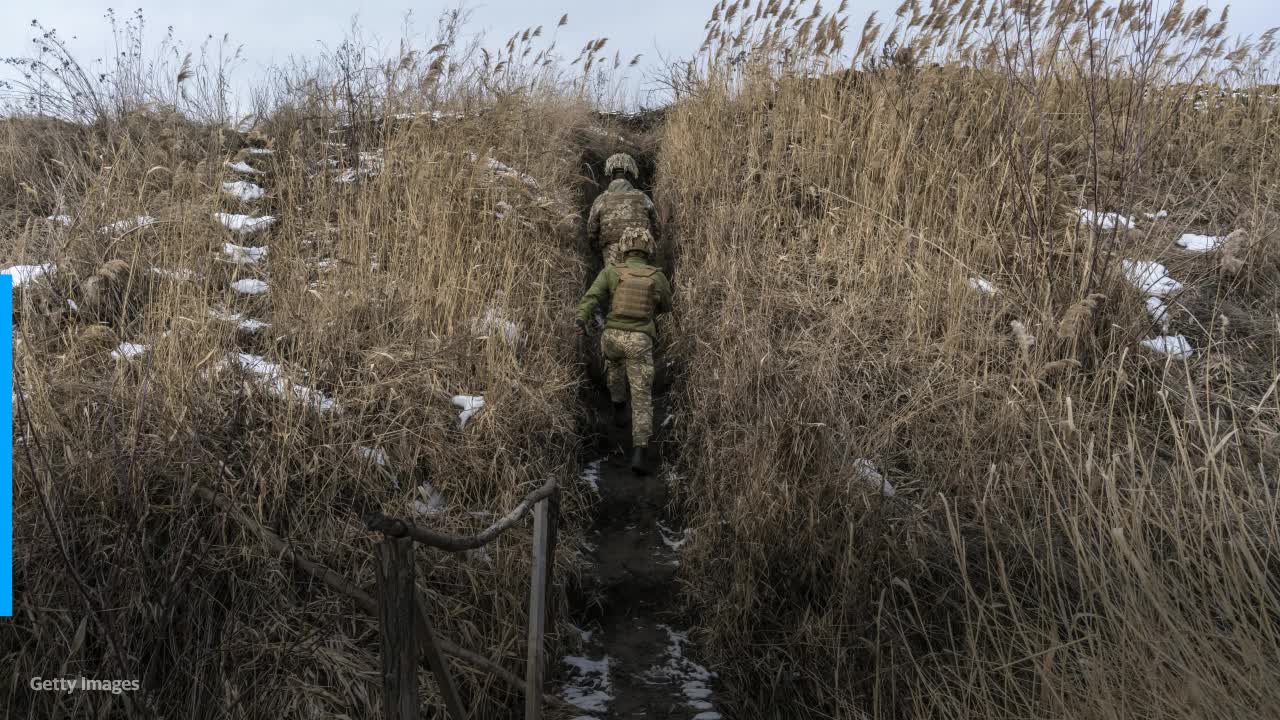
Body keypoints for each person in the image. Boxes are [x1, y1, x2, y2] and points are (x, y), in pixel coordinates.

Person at [575, 227, 673, 475]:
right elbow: (667, 306)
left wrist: (581, 319)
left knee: (615, 369)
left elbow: (592, 297)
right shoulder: (656, 276)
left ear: (624, 248)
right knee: (641, 397)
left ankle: (618, 407)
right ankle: (639, 450)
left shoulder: (611, 271)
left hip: (612, 336)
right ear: (648, 248)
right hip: (640, 340)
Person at [587, 153, 660, 267]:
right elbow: (657, 229)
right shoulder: (643, 198)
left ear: (611, 176)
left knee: (612, 281)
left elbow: (591, 233)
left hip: (612, 254)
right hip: (641, 253)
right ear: (630, 175)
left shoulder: (600, 200)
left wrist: (601, 251)